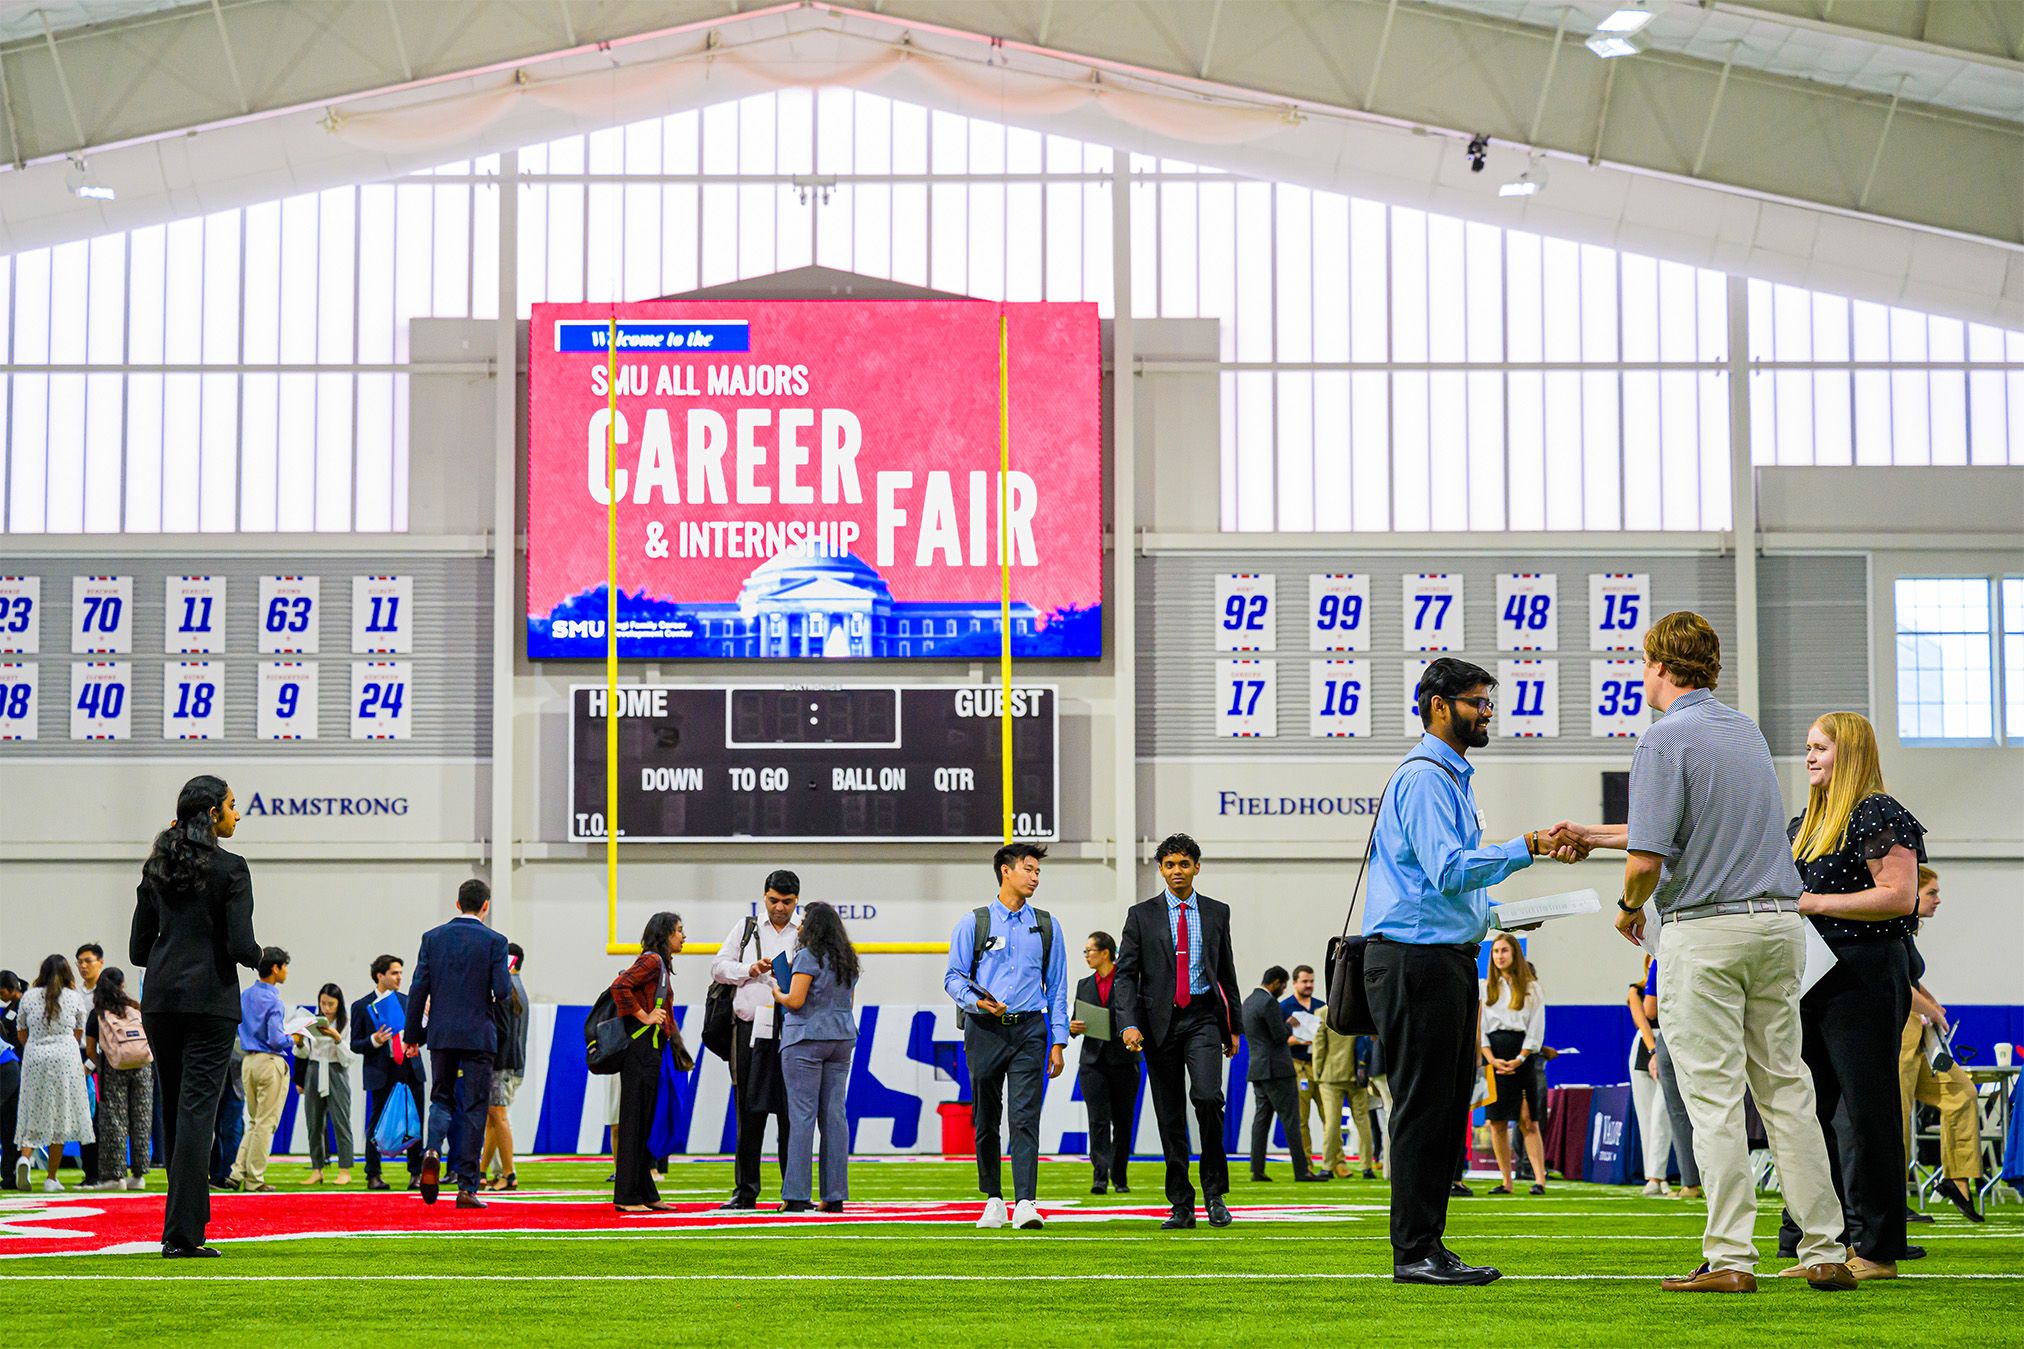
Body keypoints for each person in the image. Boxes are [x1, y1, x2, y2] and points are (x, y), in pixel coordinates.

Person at [1564, 612, 1855, 1293]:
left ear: (1659, 666)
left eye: (1643, 663)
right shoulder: (1744, 731)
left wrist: (1630, 907)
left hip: (1708, 930)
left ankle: (1729, 1256)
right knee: (1786, 1089)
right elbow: (1697, 826)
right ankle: (1825, 1247)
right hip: (1779, 925)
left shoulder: (1663, 740)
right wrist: (1593, 833)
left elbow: (1648, 856)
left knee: (1714, 1098)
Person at [1360, 658, 1585, 1285]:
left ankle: (1427, 1242)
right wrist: (1528, 847)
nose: (1487, 712)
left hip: (1441, 958)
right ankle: (1413, 1252)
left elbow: (1447, 891)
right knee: (1422, 1109)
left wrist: (1503, 917)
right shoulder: (1428, 777)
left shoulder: (1449, 779)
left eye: (1489, 701)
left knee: (1440, 1109)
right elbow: (1451, 870)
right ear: (1439, 705)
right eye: (1476, 702)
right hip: (1415, 962)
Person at [1767, 712, 1923, 1278]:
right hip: (1808, 975)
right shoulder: (1801, 823)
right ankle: (1821, 1245)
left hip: (1863, 973)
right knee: (1808, 1113)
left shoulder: (1878, 812)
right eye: (1807, 747)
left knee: (1867, 1111)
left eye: (1821, 747)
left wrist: (1812, 903)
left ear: (1849, 752)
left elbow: (1900, 895)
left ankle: (1879, 1250)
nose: (1809, 757)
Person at [131, 774, 262, 1257]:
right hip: (210, 1002)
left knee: (176, 1113)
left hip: (160, 1000)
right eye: (231, 805)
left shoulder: (156, 867)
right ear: (212, 813)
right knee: (196, 1116)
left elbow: (138, 949)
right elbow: (241, 944)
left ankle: (187, 1218)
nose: (237, 813)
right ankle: (183, 1234)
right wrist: (259, 955)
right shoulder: (232, 868)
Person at [1114, 832, 1244, 1231]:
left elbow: (1227, 972)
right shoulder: (1141, 915)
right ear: (1160, 869)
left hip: (1203, 1017)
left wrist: (1234, 1027)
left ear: (1196, 867)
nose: (1176, 871)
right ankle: (1181, 1204)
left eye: (1184, 864)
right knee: (1170, 1116)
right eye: (1169, 865)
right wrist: (1129, 1022)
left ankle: (1214, 1193)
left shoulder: (1217, 912)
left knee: (1207, 1098)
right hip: (1157, 1025)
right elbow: (1125, 975)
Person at [944, 842, 1069, 1233]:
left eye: (1038, 872)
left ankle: (1025, 1202)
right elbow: (952, 977)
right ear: (1006, 871)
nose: (1035, 877)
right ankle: (993, 1199)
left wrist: (1059, 1041)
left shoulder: (1047, 926)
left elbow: (1058, 986)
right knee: (986, 1116)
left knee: (1025, 1116)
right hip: (984, 1030)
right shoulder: (974, 923)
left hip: (1031, 1029)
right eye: (1029, 869)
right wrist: (978, 1004)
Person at [403, 878, 513, 1209]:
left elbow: (418, 989)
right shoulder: (496, 941)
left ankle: (433, 1149)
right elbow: (504, 990)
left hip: (441, 1033)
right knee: (476, 1107)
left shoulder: (432, 939)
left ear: (457, 904)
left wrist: (412, 1037)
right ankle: (467, 1187)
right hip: (479, 1033)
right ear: (486, 906)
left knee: (441, 1098)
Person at [710, 872, 802, 1211]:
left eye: (787, 902)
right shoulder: (747, 928)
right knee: (747, 1112)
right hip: (750, 1032)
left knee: (792, 1115)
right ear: (764, 897)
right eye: (774, 900)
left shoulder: (804, 931)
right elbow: (718, 968)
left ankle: (793, 1192)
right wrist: (750, 968)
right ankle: (745, 1192)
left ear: (797, 901)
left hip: (793, 1030)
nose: (779, 908)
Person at [1901, 866, 1983, 1223]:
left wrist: (1931, 1003)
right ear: (1913, 892)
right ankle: (1890, 1198)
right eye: (1931, 892)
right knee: (1897, 1114)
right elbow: (1894, 985)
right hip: (1897, 1029)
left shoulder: (1908, 930)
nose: (1938, 899)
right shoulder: (1890, 924)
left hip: (1916, 1032)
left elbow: (1911, 980)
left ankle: (1958, 1182)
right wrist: (1931, 1010)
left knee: (1962, 1092)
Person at [773, 900, 859, 1213]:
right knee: (835, 1117)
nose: (799, 925)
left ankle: (796, 1195)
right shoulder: (848, 959)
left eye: (803, 920)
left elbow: (795, 1000)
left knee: (802, 1117)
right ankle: (834, 1196)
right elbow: (849, 1003)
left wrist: (776, 992)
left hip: (806, 1038)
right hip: (842, 1037)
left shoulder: (807, 956)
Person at [610, 911, 686, 1214]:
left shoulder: (659, 964)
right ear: (665, 933)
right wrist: (645, 1016)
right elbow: (620, 986)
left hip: (649, 1051)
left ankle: (645, 1191)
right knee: (634, 1123)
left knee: (643, 1123)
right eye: (679, 931)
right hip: (641, 1050)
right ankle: (627, 1196)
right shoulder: (652, 961)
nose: (683, 937)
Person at [15, 955, 94, 1193]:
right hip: (65, 1058)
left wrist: (36, 1046)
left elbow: (21, 1030)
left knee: (32, 1109)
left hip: (35, 1056)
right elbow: (79, 1031)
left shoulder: (29, 996)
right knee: (59, 1115)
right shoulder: (73, 997)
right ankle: (51, 1178)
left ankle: (25, 1159)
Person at [1479, 934, 1549, 1196]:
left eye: (1504, 950)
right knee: (1496, 1121)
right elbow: (1482, 1027)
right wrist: (1490, 1057)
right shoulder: (1486, 987)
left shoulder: (1531, 988)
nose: (1499, 955)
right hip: (1494, 1054)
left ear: (1515, 954)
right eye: (1496, 951)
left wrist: (1520, 1058)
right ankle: (1506, 1181)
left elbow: (1536, 1027)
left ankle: (1539, 1180)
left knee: (1527, 1120)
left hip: (1522, 1053)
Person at [1070, 931, 1137, 1195]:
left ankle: (1119, 1177)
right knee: (1097, 1121)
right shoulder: (1083, 984)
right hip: (1093, 1062)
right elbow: (1077, 1020)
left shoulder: (1128, 981)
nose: (1087, 956)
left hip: (1123, 1060)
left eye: (1090, 951)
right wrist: (1072, 1027)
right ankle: (1099, 1177)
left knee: (1122, 1122)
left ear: (1105, 952)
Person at [1243, 965, 1324, 1183]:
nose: (1283, 990)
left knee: (1261, 1121)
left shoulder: (1249, 1001)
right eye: (1284, 985)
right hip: (1278, 1069)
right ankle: (1302, 1171)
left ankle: (1257, 1170)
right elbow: (1279, 1036)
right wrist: (1290, 1024)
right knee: (1291, 1120)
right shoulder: (1269, 1002)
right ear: (1277, 982)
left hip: (1258, 1068)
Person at [351, 954, 424, 1192]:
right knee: (377, 1122)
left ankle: (416, 1174)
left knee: (415, 1121)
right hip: (381, 1070)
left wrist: (422, 1027)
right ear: (380, 975)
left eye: (401, 972)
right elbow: (355, 1043)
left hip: (409, 1067)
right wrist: (374, 1040)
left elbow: (421, 1037)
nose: (399, 977)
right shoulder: (361, 1006)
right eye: (394, 973)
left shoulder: (409, 1001)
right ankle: (373, 1174)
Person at [82, 966, 153, 1191]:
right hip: (142, 1066)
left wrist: (100, 1065)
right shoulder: (135, 1008)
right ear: (123, 985)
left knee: (114, 1120)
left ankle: (115, 1176)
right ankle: (139, 1175)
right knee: (141, 1118)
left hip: (113, 1067)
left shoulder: (98, 1013)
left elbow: (91, 1050)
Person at [227, 947, 292, 1192]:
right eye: (285, 966)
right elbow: (276, 1039)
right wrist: (292, 1038)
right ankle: (255, 1178)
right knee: (265, 1123)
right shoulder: (273, 1000)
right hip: (269, 1061)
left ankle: (237, 1171)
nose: (286, 972)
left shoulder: (245, 995)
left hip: (248, 1062)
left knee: (254, 1121)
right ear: (275, 969)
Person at [1645, 958, 1703, 1200]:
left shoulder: (1663, 954)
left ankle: (1690, 1183)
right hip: (1714, 1029)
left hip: (1674, 1032)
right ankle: (1726, 1184)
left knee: (1679, 1113)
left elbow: (1650, 1010)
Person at [295, 983, 356, 1186]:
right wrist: (300, 1042)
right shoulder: (312, 1020)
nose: (326, 1008)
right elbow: (303, 1054)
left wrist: (337, 1038)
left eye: (331, 1004)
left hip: (336, 1071)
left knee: (341, 1122)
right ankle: (317, 1169)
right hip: (313, 1070)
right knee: (314, 1123)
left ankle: (344, 1169)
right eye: (323, 1003)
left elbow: (348, 1058)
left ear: (339, 1003)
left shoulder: (345, 1022)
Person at [1627, 954, 1674, 1196]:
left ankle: (1659, 1175)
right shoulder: (1636, 990)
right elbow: (1643, 1022)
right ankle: (1654, 1176)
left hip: (1668, 1045)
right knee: (1646, 1118)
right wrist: (1653, 1050)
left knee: (1662, 1115)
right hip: (1646, 1047)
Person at [482, 944, 528, 1191]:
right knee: (494, 1118)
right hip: (511, 1062)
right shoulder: (516, 987)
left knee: (498, 1117)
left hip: (501, 1063)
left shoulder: (504, 989)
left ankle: (507, 1174)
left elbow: (501, 1031)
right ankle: (482, 1171)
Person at [1311, 1015, 1375, 1180]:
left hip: (1331, 1076)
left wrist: (1317, 1072)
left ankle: (1327, 1166)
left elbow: (1319, 1045)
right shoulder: (1358, 1009)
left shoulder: (1324, 1012)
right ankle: (1367, 1166)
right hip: (1357, 1074)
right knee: (1363, 1121)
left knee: (1332, 1122)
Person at [1281, 965, 1325, 1169]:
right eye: (1304, 981)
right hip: (1298, 1066)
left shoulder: (1321, 1006)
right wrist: (1296, 1039)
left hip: (1321, 1066)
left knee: (1330, 1118)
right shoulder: (1285, 1007)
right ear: (1294, 983)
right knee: (1301, 1119)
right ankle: (1305, 1162)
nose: (1309, 985)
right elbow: (1277, 1039)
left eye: (1311, 981)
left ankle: (1335, 1162)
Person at [74, 942, 104, 1184]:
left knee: (101, 1117)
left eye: (88, 961)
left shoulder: (105, 994)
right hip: (79, 1054)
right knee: (84, 1116)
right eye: (79, 962)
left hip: (101, 1059)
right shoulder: (74, 994)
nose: (83, 966)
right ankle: (90, 1172)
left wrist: (91, 1065)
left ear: (100, 962)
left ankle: (105, 1170)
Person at [1, 970, 23, 1190]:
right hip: (12, 1066)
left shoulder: (25, 1006)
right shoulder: (6, 1011)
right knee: (7, 1126)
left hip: (15, 1069)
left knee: (12, 1126)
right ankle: (7, 1175)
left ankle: (11, 1174)